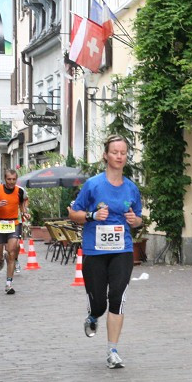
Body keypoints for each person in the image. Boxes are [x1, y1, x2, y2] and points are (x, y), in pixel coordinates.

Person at [68, 136, 144, 369]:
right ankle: (93, 315)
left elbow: (139, 219)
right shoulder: (93, 185)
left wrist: (134, 220)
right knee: (100, 302)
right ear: (106, 155)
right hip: (95, 250)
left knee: (117, 298)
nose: (120, 156)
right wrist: (92, 216)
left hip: (122, 249)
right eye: (115, 152)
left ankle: (113, 351)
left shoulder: (131, 188)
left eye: (123, 152)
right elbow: (74, 214)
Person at [0, 168, 29, 295]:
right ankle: (0, 260)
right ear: (5, 179)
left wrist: (25, 213)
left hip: (14, 223)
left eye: (14, 179)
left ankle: (8, 284)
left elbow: (22, 204)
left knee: (11, 251)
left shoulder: (20, 191)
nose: (11, 182)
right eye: (9, 179)